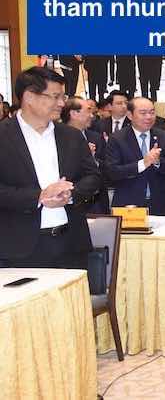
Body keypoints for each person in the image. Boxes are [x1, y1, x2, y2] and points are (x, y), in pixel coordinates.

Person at [0, 67, 101, 269]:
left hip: (71, 243)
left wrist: (71, 193)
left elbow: (93, 176)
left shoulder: (71, 136)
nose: (62, 103)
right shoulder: (3, 136)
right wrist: (39, 196)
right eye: (55, 97)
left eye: (63, 97)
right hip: (19, 249)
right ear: (29, 97)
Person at [105, 97, 165, 216]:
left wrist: (158, 162)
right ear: (130, 115)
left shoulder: (164, 137)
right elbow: (112, 172)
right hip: (129, 205)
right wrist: (143, 164)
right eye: (143, 113)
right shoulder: (117, 138)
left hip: (161, 205)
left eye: (152, 112)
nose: (149, 117)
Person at [62, 97, 110, 214]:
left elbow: (108, 167)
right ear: (74, 113)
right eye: (88, 111)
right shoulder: (57, 137)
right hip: (68, 203)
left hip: (97, 204)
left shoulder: (96, 137)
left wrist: (93, 160)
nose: (92, 116)